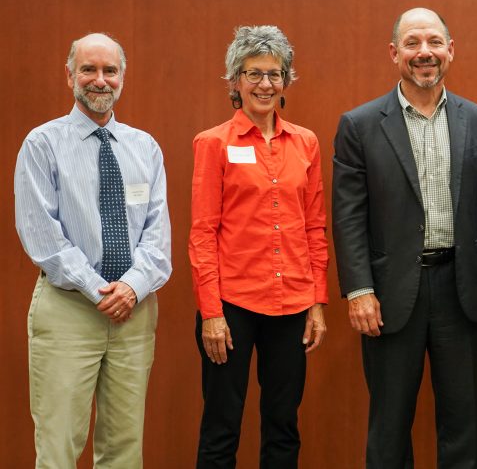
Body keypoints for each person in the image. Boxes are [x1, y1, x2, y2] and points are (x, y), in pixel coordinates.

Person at [333, 7, 477, 468]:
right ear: (395, 54)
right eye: (412, 43)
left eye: (434, 42)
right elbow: (349, 216)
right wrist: (358, 290)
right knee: (390, 426)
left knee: (462, 424)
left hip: (462, 289)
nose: (424, 53)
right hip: (390, 296)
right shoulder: (360, 124)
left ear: (450, 51)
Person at [15, 32, 172, 467]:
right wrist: (101, 290)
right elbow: (42, 238)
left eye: (110, 70)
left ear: (123, 78)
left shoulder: (145, 148)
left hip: (134, 314)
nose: (99, 80)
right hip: (69, 309)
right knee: (59, 447)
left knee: (124, 450)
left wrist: (131, 288)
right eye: (89, 69)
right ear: (70, 76)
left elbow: (158, 240)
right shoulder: (42, 144)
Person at [190, 25, 328, 468]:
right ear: (235, 81)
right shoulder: (213, 143)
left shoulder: (305, 142)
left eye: (275, 74)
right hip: (231, 305)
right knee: (221, 426)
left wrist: (317, 302)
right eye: (254, 74)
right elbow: (202, 233)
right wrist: (211, 313)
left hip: (291, 305)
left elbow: (315, 229)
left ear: (286, 81)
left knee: (284, 426)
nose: (265, 84)